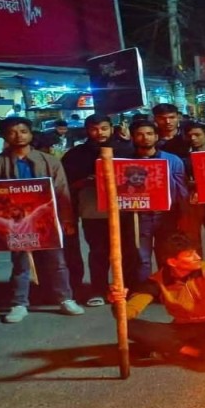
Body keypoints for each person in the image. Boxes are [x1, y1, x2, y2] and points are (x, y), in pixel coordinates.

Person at [0, 117, 85, 323]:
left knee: (57, 262)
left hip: (45, 221)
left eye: (23, 131)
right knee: (20, 263)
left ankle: (65, 299)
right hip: (15, 223)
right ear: (5, 136)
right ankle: (19, 303)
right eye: (12, 132)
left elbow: (62, 192)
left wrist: (66, 220)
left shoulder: (50, 162)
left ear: (30, 134)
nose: (18, 135)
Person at [109, 233, 205, 365]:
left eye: (195, 252)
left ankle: (171, 350)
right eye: (190, 255)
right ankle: (194, 353)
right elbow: (127, 314)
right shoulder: (156, 281)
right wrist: (117, 300)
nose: (198, 257)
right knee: (126, 326)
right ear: (172, 261)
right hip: (181, 329)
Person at [61, 114, 133, 305]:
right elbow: (65, 184)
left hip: (124, 209)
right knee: (98, 251)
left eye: (103, 128)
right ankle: (98, 289)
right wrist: (86, 182)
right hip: (92, 210)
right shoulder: (76, 155)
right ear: (87, 130)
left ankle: (123, 288)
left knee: (127, 251)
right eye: (94, 129)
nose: (99, 133)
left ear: (111, 128)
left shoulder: (126, 149)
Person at [121, 120, 188, 285]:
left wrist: (185, 215)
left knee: (167, 254)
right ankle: (145, 289)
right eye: (140, 134)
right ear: (133, 137)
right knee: (141, 257)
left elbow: (182, 191)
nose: (145, 138)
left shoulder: (173, 160)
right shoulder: (123, 163)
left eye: (150, 134)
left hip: (166, 215)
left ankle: (166, 287)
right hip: (138, 215)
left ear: (157, 136)